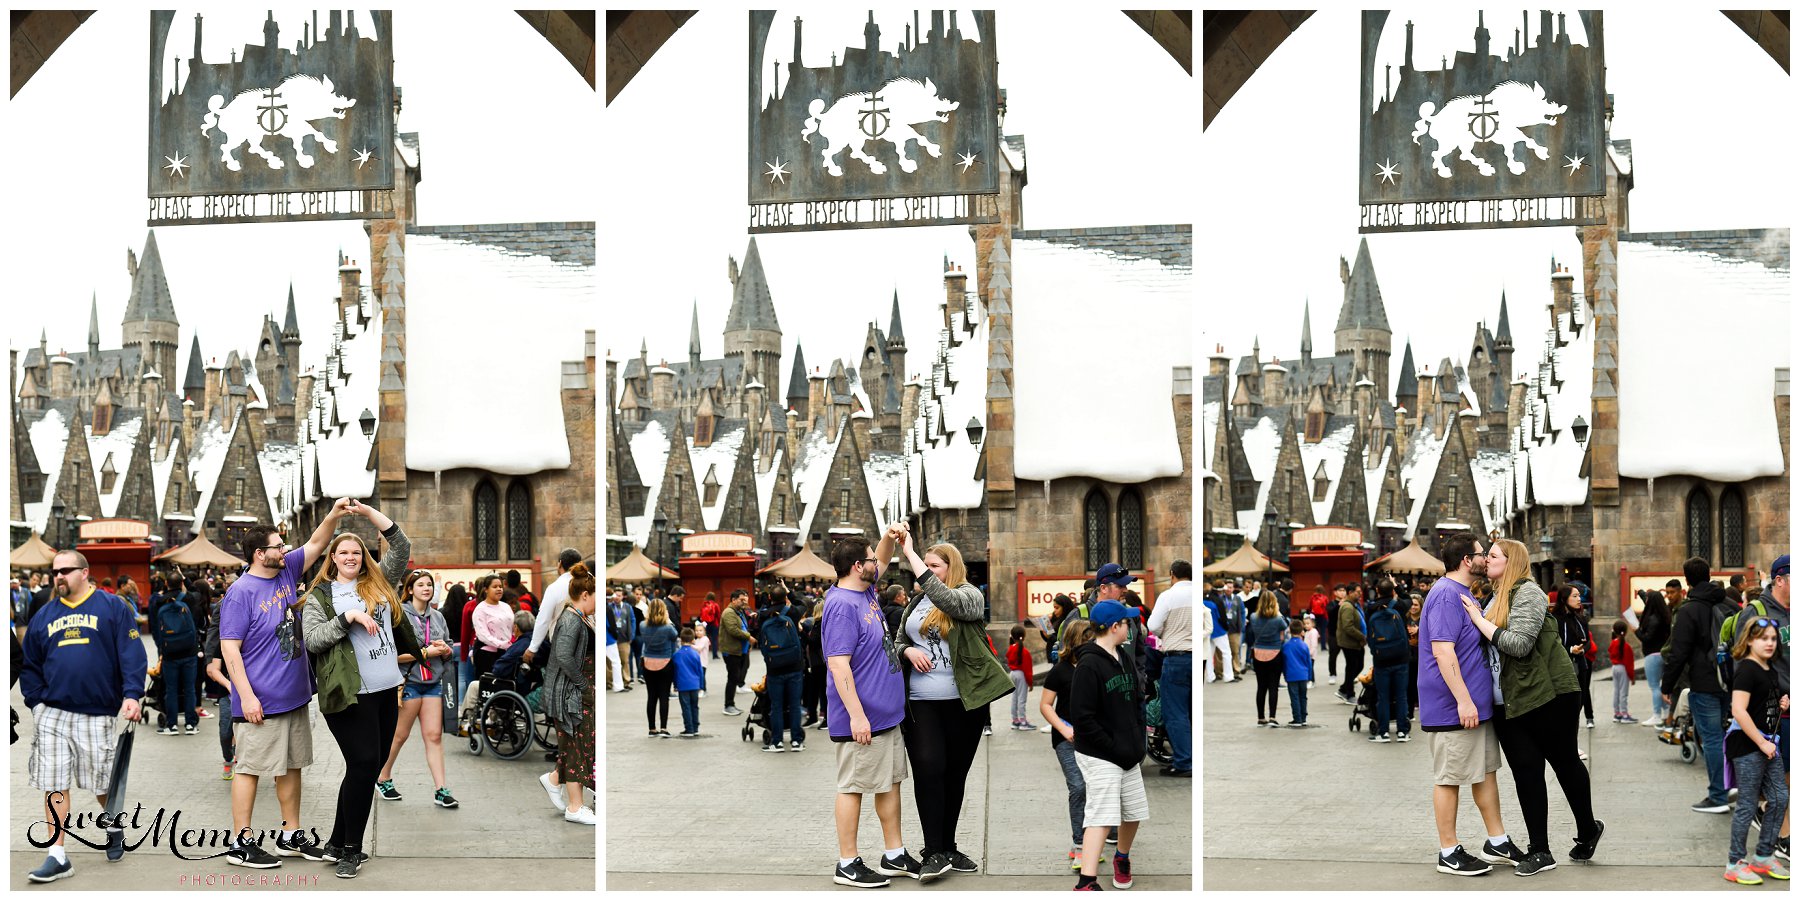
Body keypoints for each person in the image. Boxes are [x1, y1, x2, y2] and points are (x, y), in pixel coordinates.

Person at [218, 501, 353, 869]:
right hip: (260, 701)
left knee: (292, 767)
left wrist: (334, 515)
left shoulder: (285, 570)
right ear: (260, 554)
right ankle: (240, 843)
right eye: (278, 546)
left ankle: (290, 835)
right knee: (248, 769)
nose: (285, 549)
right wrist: (245, 697)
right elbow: (230, 649)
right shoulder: (240, 592)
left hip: (293, 696)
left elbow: (315, 543)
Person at [1457, 537, 1599, 877]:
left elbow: (1519, 644)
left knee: (1564, 764)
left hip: (1551, 695)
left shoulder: (1528, 593)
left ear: (1511, 561)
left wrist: (1479, 621)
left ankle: (1588, 828)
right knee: (1527, 773)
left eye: (1493, 556)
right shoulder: (1491, 597)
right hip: (1510, 701)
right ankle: (1541, 850)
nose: (1486, 560)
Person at [300, 500, 421, 878]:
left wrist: (367, 514)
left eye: (356, 551)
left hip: (387, 690)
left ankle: (337, 841)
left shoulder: (379, 582)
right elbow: (313, 640)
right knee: (365, 763)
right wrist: (348, 617)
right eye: (343, 552)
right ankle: (351, 849)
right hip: (349, 696)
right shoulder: (321, 595)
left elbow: (402, 545)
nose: (351, 556)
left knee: (365, 768)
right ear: (332, 558)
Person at [889, 526, 1012, 877]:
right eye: (924, 564)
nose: (925, 570)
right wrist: (907, 650)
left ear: (950, 568)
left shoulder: (968, 595)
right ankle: (933, 851)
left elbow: (950, 603)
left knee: (954, 775)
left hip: (963, 702)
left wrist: (911, 554)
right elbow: (894, 643)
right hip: (920, 701)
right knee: (928, 770)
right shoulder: (915, 603)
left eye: (933, 565)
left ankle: (948, 847)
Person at [21, 550, 148, 882]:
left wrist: (132, 695)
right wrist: (36, 703)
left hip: (97, 711)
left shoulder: (111, 608)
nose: (59, 576)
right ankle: (57, 854)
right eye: (55, 572)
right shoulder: (44, 616)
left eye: (65, 570)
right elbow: (30, 664)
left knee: (102, 780)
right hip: (53, 713)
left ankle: (114, 825)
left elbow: (132, 654)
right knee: (54, 781)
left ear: (85, 572)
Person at [823, 528, 922, 888]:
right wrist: (857, 715)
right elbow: (838, 665)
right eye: (868, 559)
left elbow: (880, 558)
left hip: (886, 714)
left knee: (889, 783)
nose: (876, 565)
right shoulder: (841, 606)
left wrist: (888, 538)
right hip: (861, 718)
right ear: (854, 566)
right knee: (852, 786)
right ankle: (847, 862)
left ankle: (894, 853)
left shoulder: (864, 587)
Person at [1419, 532, 1520, 876]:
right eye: (1481, 554)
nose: (1485, 559)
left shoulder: (1463, 593)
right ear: (1467, 561)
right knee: (1449, 777)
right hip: (1453, 709)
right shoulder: (1446, 595)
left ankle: (1497, 840)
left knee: (1484, 773)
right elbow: (1442, 651)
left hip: (1475, 708)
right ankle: (1448, 850)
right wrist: (1463, 700)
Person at [1069, 599, 1149, 891]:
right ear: (1115, 627)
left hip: (1127, 751)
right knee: (1102, 815)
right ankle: (1087, 881)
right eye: (1127, 622)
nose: (1130, 626)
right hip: (1100, 754)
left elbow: (1136, 700)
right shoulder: (1089, 664)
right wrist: (1114, 747)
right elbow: (1083, 718)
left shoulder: (1123, 655)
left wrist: (1137, 740)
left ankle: (1121, 857)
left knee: (1135, 811)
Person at [376, 569, 459, 811]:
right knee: (399, 736)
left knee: (433, 737)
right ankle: (383, 777)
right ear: (410, 589)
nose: (426, 588)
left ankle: (441, 790)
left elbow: (450, 647)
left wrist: (444, 649)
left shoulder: (439, 617)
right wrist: (425, 653)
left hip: (433, 682)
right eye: (421, 584)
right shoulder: (400, 616)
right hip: (409, 682)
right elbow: (391, 654)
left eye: (429, 585)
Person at [1662, 556, 1737, 815]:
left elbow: (1678, 652)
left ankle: (1718, 795)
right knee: (1728, 733)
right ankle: (1732, 785)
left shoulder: (1690, 610)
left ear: (1687, 579)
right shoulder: (1729, 603)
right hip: (1731, 679)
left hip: (1704, 682)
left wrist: (1667, 685)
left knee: (1712, 737)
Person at [1723, 617, 1791, 884]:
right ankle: (1735, 862)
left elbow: (1762, 704)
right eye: (1764, 638)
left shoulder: (1768, 669)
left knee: (1779, 798)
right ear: (1750, 640)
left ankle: (1764, 855)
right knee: (1748, 804)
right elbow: (1738, 710)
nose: (1770, 643)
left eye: (1773, 638)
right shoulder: (1747, 670)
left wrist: (1781, 703)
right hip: (1750, 746)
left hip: (1768, 745)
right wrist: (1762, 743)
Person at [1042, 619, 1097, 871]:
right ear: (1077, 641)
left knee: (1095, 789)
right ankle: (1079, 845)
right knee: (1078, 786)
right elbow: (1044, 705)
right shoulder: (1060, 670)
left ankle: (1092, 840)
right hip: (1067, 738)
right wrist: (1063, 727)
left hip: (1096, 738)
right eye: (1090, 639)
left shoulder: (1098, 667)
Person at [543, 564, 597, 825]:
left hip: (575, 691)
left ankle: (555, 780)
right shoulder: (571, 619)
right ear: (585, 594)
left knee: (577, 744)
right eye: (597, 596)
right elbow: (564, 655)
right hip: (572, 694)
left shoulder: (577, 617)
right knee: (576, 746)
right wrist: (583, 685)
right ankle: (575, 807)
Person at [1145, 560, 1192, 775]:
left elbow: (1153, 626)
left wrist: (1168, 633)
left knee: (1175, 712)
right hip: (1197, 657)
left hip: (1176, 657)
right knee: (1191, 710)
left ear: (1172, 574)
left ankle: (1184, 761)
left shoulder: (1168, 596)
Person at [150, 573, 202, 736]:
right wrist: (185, 581)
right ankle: (190, 724)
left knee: (171, 689)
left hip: (169, 652)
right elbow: (196, 591)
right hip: (189, 650)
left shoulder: (158, 601)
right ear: (181, 583)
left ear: (166, 583)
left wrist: (161, 648)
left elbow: (154, 628)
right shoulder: (189, 599)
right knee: (189, 688)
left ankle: (171, 725)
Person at [758, 590, 807, 752]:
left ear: (770, 597)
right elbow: (803, 604)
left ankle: (777, 741)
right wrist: (790, 594)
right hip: (794, 666)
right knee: (794, 705)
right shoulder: (792, 613)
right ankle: (796, 741)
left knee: (776, 706)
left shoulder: (764, 615)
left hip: (774, 668)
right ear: (785, 597)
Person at [1365, 587, 1411, 743]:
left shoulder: (1370, 609)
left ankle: (1383, 732)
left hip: (1381, 660)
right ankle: (1402, 732)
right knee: (1401, 696)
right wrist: (1398, 588)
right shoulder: (1399, 606)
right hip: (1401, 658)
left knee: (1383, 696)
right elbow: (1409, 600)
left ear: (1377, 590)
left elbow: (1369, 636)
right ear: (1392, 591)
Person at [524, 549, 583, 669]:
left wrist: (532, 648)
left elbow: (543, 619)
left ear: (560, 564)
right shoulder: (589, 584)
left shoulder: (555, 588)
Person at [1550, 586, 1597, 728]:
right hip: (1563, 667)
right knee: (1566, 703)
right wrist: (1570, 649)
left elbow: (1588, 641)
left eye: (1579, 596)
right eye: (1575, 596)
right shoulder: (1555, 620)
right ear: (1565, 599)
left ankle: (1573, 731)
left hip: (1581, 664)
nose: (1579, 599)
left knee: (1581, 698)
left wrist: (1582, 650)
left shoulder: (1581, 618)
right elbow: (1553, 644)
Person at [1246, 591, 1288, 727]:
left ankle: (1260, 717)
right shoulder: (1277, 619)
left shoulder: (1253, 617)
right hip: (1275, 653)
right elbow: (1285, 626)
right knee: (1273, 687)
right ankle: (1272, 716)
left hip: (1258, 652)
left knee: (1261, 687)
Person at [639, 598, 679, 738]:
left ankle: (652, 728)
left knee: (651, 696)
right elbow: (675, 636)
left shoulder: (642, 625)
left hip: (648, 662)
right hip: (665, 662)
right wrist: (668, 620)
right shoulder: (668, 627)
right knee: (664, 696)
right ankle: (663, 728)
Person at [1636, 588, 1674, 727]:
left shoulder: (1653, 618)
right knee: (1662, 686)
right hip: (1662, 654)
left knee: (1654, 687)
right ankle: (1666, 712)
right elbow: (1646, 597)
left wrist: (1636, 630)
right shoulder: (1665, 615)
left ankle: (1657, 715)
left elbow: (1646, 638)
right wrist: (1641, 592)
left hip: (1652, 654)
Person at [720, 589, 756, 716]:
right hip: (731, 651)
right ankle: (728, 705)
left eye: (746, 599)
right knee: (732, 678)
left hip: (740, 650)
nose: (744, 602)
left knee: (736, 676)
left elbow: (743, 626)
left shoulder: (739, 611)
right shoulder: (729, 612)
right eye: (741, 600)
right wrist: (749, 638)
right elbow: (733, 630)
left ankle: (731, 704)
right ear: (733, 600)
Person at [470, 575, 512, 678]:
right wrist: (502, 644)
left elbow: (512, 629)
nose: (499, 589)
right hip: (487, 655)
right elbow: (483, 635)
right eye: (495, 587)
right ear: (486, 590)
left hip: (506, 653)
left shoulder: (506, 607)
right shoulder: (480, 609)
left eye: (500, 586)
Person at [1335, 585, 1367, 705]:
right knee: (1352, 667)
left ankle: (1344, 688)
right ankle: (1349, 693)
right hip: (1349, 643)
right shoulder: (1347, 606)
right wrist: (1362, 637)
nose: (1360, 594)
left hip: (1356, 642)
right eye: (1357, 592)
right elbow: (1348, 627)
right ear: (1350, 592)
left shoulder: (1354, 605)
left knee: (1358, 665)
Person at [674, 627, 705, 736]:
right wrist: (701, 684)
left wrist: (675, 685)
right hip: (695, 683)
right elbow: (700, 670)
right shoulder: (695, 654)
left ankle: (689, 728)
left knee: (685, 707)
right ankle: (696, 727)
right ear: (693, 640)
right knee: (694, 706)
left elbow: (675, 672)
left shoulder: (677, 655)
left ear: (681, 640)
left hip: (683, 684)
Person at [801, 600, 827, 728]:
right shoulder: (819, 624)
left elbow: (814, 641)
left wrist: (802, 632)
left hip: (819, 662)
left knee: (820, 691)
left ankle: (823, 718)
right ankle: (813, 716)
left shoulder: (820, 624)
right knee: (815, 691)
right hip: (817, 662)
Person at [1005, 624, 1037, 731]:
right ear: (1023, 636)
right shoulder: (1025, 652)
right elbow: (1028, 670)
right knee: (1022, 699)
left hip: (1012, 673)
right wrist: (1030, 683)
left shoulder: (1011, 648)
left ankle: (1015, 721)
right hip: (1021, 674)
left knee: (1014, 698)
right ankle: (1023, 721)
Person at [1282, 622, 1313, 727]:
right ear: (1301, 632)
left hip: (1291, 675)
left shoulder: (1286, 646)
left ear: (1290, 631)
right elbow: (1308, 662)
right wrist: (1309, 676)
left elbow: (1284, 662)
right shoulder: (1304, 645)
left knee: (1294, 697)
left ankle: (1297, 718)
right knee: (1303, 697)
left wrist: (1285, 675)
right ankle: (1304, 718)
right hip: (1303, 674)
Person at [1203, 588, 1234, 683]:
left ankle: (1210, 677)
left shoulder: (1202, 603)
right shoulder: (1214, 604)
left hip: (1207, 632)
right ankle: (1228, 676)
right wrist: (1226, 628)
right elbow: (1221, 617)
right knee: (1226, 653)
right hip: (1218, 630)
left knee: (1208, 654)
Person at [1608, 620, 1637, 724]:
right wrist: (1632, 677)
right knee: (1623, 692)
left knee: (1616, 691)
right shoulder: (1626, 646)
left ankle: (1617, 714)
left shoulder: (1613, 643)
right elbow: (1629, 663)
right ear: (1625, 631)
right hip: (1623, 668)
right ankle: (1624, 714)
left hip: (1614, 668)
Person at [604, 589, 631, 693]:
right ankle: (618, 686)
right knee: (616, 663)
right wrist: (615, 635)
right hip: (609, 639)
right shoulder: (608, 609)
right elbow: (611, 625)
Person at [700, 592, 722, 660]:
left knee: (704, 639)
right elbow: (718, 615)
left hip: (705, 624)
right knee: (714, 640)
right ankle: (714, 655)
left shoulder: (704, 604)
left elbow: (701, 614)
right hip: (714, 623)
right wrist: (719, 623)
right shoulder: (715, 605)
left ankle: (703, 654)